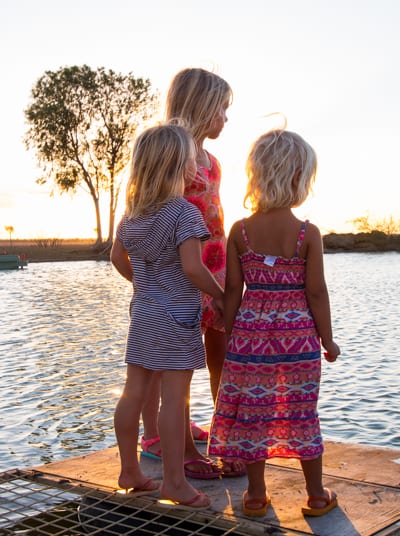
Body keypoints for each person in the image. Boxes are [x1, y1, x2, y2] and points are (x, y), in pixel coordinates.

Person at [207, 129, 341, 517]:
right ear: (299, 179)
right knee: (300, 410)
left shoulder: (241, 232)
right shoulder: (307, 235)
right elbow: (317, 293)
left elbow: (232, 291)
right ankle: (316, 496)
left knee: (253, 412)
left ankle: (254, 496)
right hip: (298, 338)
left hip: (251, 338)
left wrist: (233, 336)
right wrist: (327, 340)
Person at [111, 122, 224, 509]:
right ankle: (174, 482)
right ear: (181, 166)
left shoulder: (132, 215)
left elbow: (116, 258)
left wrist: (144, 286)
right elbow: (193, 269)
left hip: (142, 314)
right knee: (174, 400)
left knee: (134, 391)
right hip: (177, 317)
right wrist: (221, 295)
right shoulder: (184, 213)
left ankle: (129, 471)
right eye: (191, 160)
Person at [139, 67, 243, 478]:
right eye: (222, 108)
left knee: (219, 350)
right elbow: (149, 209)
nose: (226, 117)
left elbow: (217, 216)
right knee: (169, 363)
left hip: (213, 268)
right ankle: (163, 440)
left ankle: (226, 432)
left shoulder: (212, 161)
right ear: (202, 106)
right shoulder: (170, 153)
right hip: (178, 272)